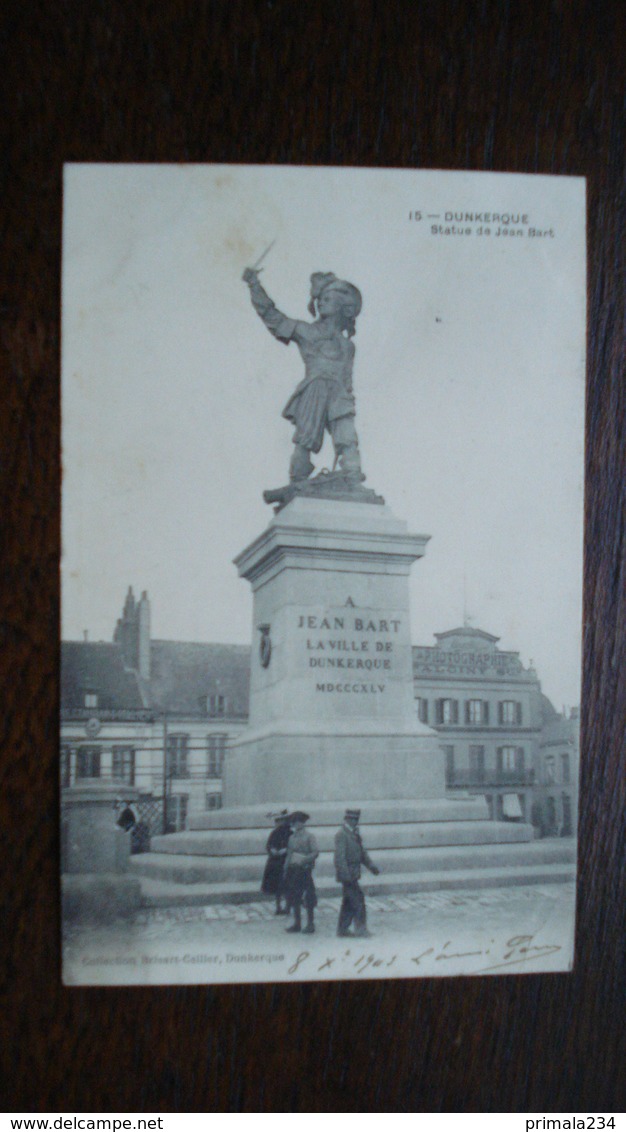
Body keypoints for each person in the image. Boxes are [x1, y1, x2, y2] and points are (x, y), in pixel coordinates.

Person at [242, 268, 364, 484]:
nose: (320, 303)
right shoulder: (307, 331)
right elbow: (273, 317)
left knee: (347, 437)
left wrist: (349, 399)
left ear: (341, 307)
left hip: (339, 394)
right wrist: (254, 285)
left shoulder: (348, 346)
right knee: (305, 439)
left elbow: (347, 381)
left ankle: (352, 473)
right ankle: (297, 479)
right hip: (315, 389)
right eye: (320, 299)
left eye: (327, 299)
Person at [334, 808, 379, 938]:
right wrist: (345, 876)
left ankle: (342, 929)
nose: (354, 821)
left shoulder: (355, 834)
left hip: (353, 873)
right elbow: (339, 858)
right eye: (352, 819)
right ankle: (361, 929)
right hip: (347, 875)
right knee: (358, 900)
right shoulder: (341, 834)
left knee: (348, 902)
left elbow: (362, 853)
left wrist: (371, 866)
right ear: (346, 819)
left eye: (356, 819)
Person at [283, 811, 319, 934]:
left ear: (303, 823)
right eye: (294, 823)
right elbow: (289, 854)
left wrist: (305, 859)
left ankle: (310, 924)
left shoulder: (309, 836)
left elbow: (315, 852)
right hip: (293, 870)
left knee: (309, 897)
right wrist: (285, 869)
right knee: (294, 897)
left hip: (305, 870)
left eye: (299, 822)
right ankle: (297, 923)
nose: (297, 825)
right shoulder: (291, 838)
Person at [261, 810, 292, 915]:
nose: (278, 823)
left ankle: (288, 907)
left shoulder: (291, 833)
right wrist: (272, 849)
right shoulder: (274, 833)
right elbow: (269, 845)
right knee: (277, 887)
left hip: (286, 862)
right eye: (277, 821)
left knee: (287, 886)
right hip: (275, 863)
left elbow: (294, 846)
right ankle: (278, 907)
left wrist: (286, 850)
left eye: (281, 821)